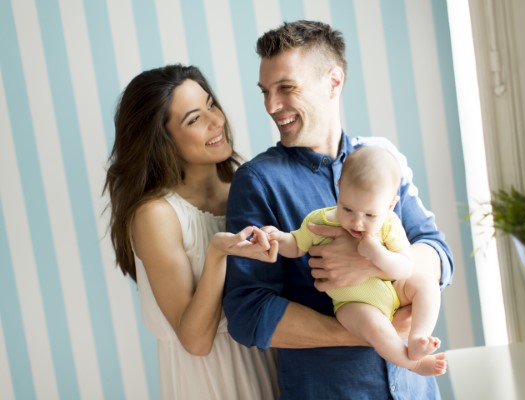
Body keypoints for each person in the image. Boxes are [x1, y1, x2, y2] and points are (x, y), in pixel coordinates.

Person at [223, 20, 454, 399]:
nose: (271, 105)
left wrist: (371, 262)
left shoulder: (382, 160)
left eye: (286, 88)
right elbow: (248, 312)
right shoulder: (258, 181)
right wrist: (370, 332)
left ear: (334, 81)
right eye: (265, 91)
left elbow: (437, 251)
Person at [103, 64, 279, 400]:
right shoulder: (157, 215)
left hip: (275, 364)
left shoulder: (250, 187)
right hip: (210, 381)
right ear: (161, 140)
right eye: (194, 119)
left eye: (211, 105)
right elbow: (196, 341)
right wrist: (216, 254)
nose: (216, 121)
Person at [261, 146, 445, 376]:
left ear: (390, 205)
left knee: (426, 283)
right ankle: (413, 364)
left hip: (395, 291)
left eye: (369, 215)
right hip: (354, 305)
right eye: (347, 209)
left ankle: (419, 336)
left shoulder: (389, 223)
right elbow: (297, 244)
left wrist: (377, 253)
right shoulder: (321, 221)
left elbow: (405, 266)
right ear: (340, 188)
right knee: (375, 329)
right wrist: (278, 238)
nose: (357, 223)